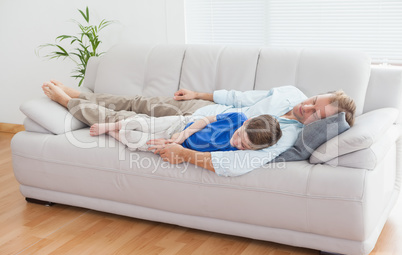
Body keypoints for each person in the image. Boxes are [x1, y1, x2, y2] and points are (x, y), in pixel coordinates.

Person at [42, 80, 356, 177]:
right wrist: (198, 95)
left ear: (324, 123)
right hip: (204, 112)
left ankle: (70, 103)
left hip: (199, 125)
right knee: (138, 101)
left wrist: (183, 153)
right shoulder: (291, 93)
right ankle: (82, 96)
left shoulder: (284, 135)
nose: (307, 108)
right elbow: (241, 97)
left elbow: (236, 164)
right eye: (315, 100)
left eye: (316, 114)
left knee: (127, 116)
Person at [89, 112, 282, 153]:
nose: (238, 143)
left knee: (138, 141)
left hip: (178, 144)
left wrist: (175, 144)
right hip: (182, 125)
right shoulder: (237, 117)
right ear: (246, 123)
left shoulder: (235, 153)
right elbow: (205, 120)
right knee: (146, 123)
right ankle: (114, 125)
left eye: (245, 146)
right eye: (240, 136)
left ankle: (114, 133)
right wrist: (182, 135)